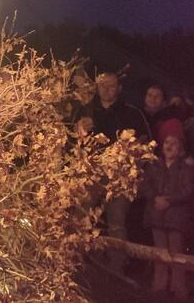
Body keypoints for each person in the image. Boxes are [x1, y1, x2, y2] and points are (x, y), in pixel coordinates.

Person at [73, 72, 149, 274]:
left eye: (112, 86)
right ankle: (79, 261)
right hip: (90, 173)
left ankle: (116, 265)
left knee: (116, 221)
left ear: (119, 88)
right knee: (83, 217)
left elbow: (145, 143)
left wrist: (129, 151)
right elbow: (69, 141)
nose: (107, 90)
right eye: (103, 85)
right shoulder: (86, 110)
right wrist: (78, 129)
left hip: (118, 177)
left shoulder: (132, 113)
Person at [140, 134, 194, 298]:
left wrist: (170, 201)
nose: (169, 146)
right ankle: (159, 286)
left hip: (176, 216)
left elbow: (188, 190)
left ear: (180, 149)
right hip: (157, 214)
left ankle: (179, 288)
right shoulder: (154, 166)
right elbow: (145, 185)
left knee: (176, 253)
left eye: (174, 143)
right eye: (167, 142)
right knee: (160, 253)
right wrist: (155, 198)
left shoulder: (186, 168)